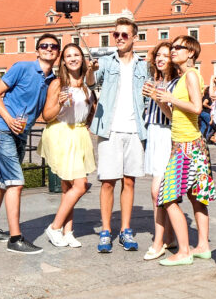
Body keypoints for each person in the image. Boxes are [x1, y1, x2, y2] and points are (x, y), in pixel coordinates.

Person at [0, 33, 60, 254]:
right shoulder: (22, 67)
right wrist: (9, 119)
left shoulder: (51, 81)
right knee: (16, 182)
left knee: (2, 181)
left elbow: (46, 113)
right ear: (37, 50)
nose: (48, 49)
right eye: (44, 46)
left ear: (57, 53)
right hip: (2, 128)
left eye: (53, 46)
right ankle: (15, 238)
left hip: (20, 133)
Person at [90, 17, 148, 254]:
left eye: (125, 34)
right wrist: (89, 70)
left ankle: (125, 230)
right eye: (116, 34)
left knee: (130, 181)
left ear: (134, 37)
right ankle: (105, 231)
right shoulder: (105, 62)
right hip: (110, 129)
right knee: (107, 182)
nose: (120, 38)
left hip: (135, 129)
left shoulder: (144, 66)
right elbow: (91, 80)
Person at [155, 36, 214, 266]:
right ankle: (203, 246)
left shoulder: (190, 74)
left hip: (187, 147)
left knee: (168, 197)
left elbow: (198, 108)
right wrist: (162, 102)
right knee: (197, 197)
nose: (172, 51)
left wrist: (170, 98)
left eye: (177, 47)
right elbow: (177, 117)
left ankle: (184, 251)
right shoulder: (184, 77)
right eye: (172, 47)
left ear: (190, 53)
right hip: (190, 143)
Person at [39, 43, 95, 249]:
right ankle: (54, 227)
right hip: (61, 133)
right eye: (69, 56)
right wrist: (60, 104)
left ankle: (68, 232)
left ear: (82, 58)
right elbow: (46, 116)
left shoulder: (87, 83)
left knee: (68, 188)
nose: (73, 58)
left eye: (76, 55)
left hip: (79, 133)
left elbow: (91, 109)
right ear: (63, 61)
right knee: (80, 186)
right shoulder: (57, 84)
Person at [140, 42, 178, 260]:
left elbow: (173, 116)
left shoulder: (175, 83)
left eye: (166, 55)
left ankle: (158, 242)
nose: (161, 59)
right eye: (158, 55)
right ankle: (170, 236)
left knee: (158, 191)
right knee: (159, 188)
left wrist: (156, 97)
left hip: (166, 134)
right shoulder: (156, 80)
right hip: (153, 133)